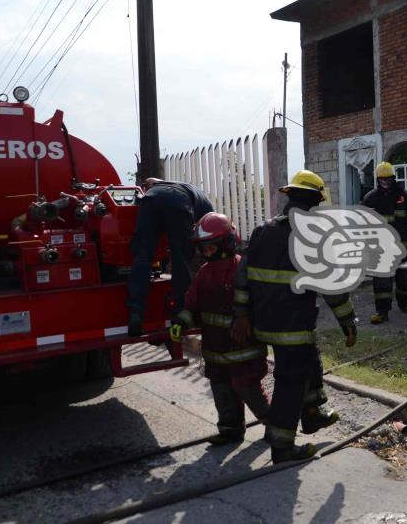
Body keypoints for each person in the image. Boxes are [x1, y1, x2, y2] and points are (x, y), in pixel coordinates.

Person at [232, 170, 358, 464]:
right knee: (291, 381)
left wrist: (241, 313)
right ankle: (283, 447)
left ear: (289, 199)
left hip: (263, 324)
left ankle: (312, 415)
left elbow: (243, 277)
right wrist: (348, 322)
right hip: (293, 327)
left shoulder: (262, 231)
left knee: (309, 360)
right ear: (315, 203)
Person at [170, 212, 270, 445]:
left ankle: (274, 426)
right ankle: (230, 430)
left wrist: (247, 320)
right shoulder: (204, 272)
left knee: (248, 388)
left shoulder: (242, 269)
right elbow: (191, 303)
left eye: (211, 248)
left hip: (243, 346)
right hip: (215, 348)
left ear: (228, 242)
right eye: (203, 249)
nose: (206, 253)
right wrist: (181, 321)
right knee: (221, 389)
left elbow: (258, 303)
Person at [127, 178, 213, 337]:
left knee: (143, 256)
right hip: (178, 202)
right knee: (181, 259)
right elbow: (211, 224)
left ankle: (136, 314)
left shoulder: (152, 190)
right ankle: (180, 313)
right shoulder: (193, 191)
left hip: (149, 201)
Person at [362, 161, 407, 324]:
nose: (385, 182)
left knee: (404, 277)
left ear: (393, 179)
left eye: (388, 179)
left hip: (404, 244)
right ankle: (382, 311)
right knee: (382, 280)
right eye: (382, 179)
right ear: (377, 179)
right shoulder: (370, 198)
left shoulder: (403, 196)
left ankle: (404, 304)